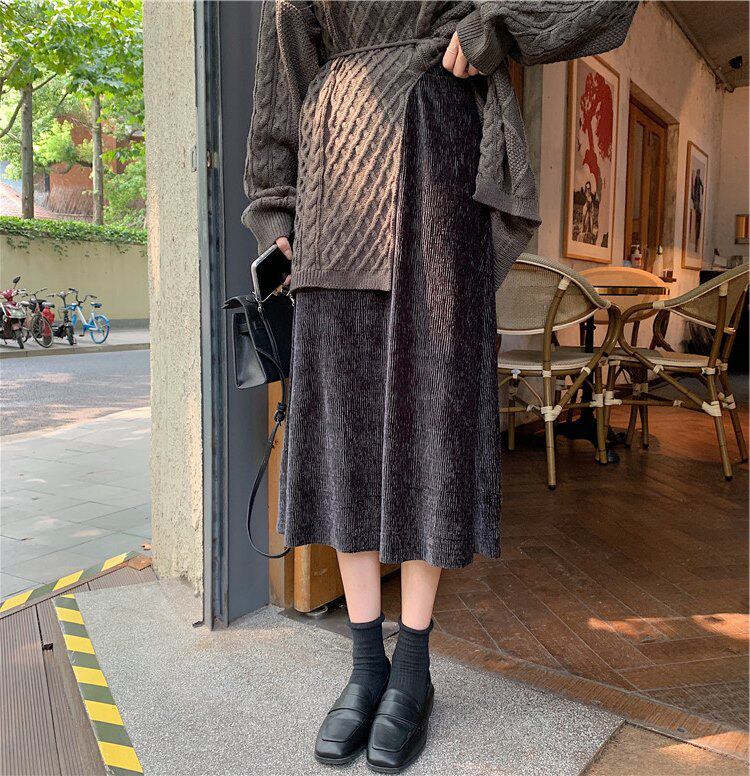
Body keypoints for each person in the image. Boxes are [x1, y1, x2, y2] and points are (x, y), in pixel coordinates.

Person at [243, 2, 637, 771]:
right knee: (346, 427)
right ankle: (366, 663)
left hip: (436, 167)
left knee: (432, 414)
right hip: (332, 182)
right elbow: (281, 61)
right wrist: (273, 204)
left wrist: (495, 25)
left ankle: (413, 666)